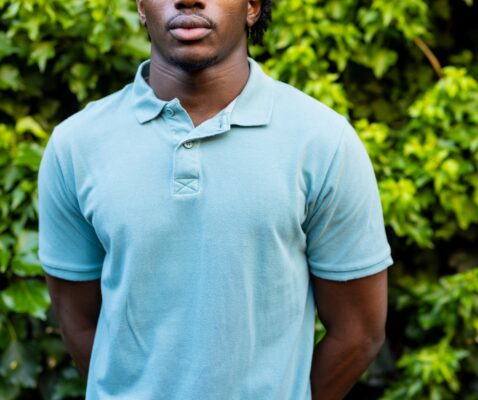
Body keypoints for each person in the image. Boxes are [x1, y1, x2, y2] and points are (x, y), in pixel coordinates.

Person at [37, 0, 393, 398]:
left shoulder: (323, 142)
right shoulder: (77, 145)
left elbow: (358, 333)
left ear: (253, 6)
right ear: (140, 6)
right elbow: (80, 325)